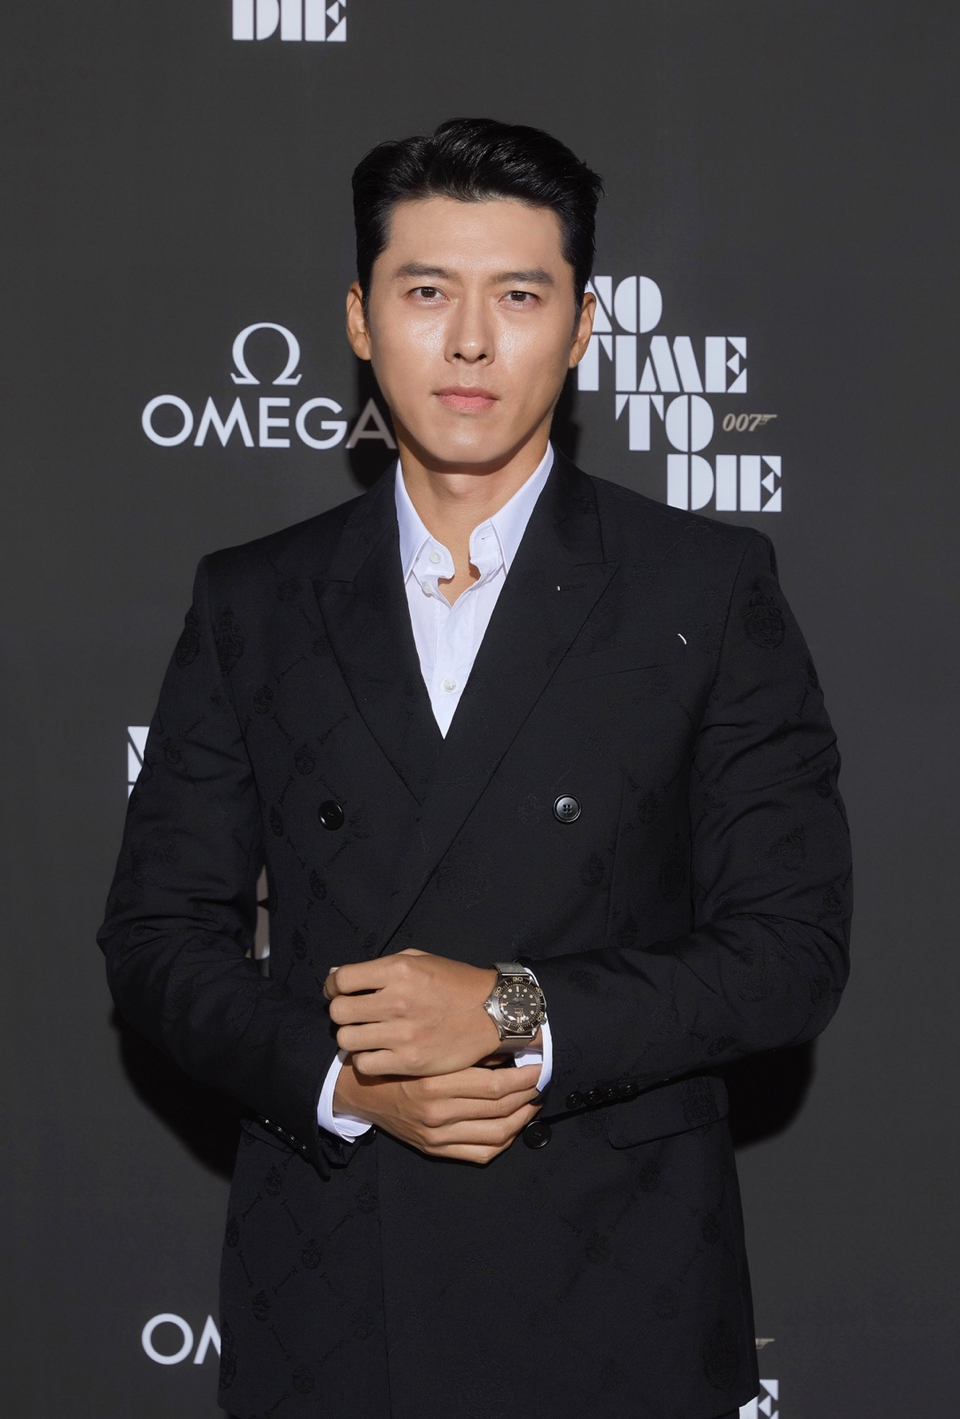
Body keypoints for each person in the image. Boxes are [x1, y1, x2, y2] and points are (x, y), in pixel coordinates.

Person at [98, 118, 851, 1419]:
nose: (468, 342)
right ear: (359, 317)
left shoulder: (704, 589)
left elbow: (791, 952)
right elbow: (158, 940)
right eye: (426, 291)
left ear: (583, 327)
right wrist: (348, 1081)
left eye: (519, 295)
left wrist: (513, 1011)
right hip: (335, 1287)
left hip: (620, 1294)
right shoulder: (254, 601)